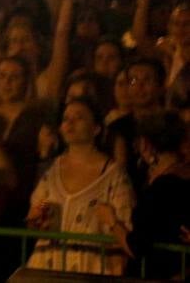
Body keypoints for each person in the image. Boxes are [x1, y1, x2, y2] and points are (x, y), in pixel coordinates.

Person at [24, 97, 132, 276]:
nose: (70, 123)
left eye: (79, 117)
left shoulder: (113, 175)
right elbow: (36, 215)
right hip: (49, 265)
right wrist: (37, 219)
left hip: (92, 268)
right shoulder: (52, 171)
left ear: (96, 128)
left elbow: (125, 226)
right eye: (66, 119)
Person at [100, 111, 190, 279]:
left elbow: (137, 247)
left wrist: (111, 221)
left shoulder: (160, 190)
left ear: (146, 145)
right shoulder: (183, 178)